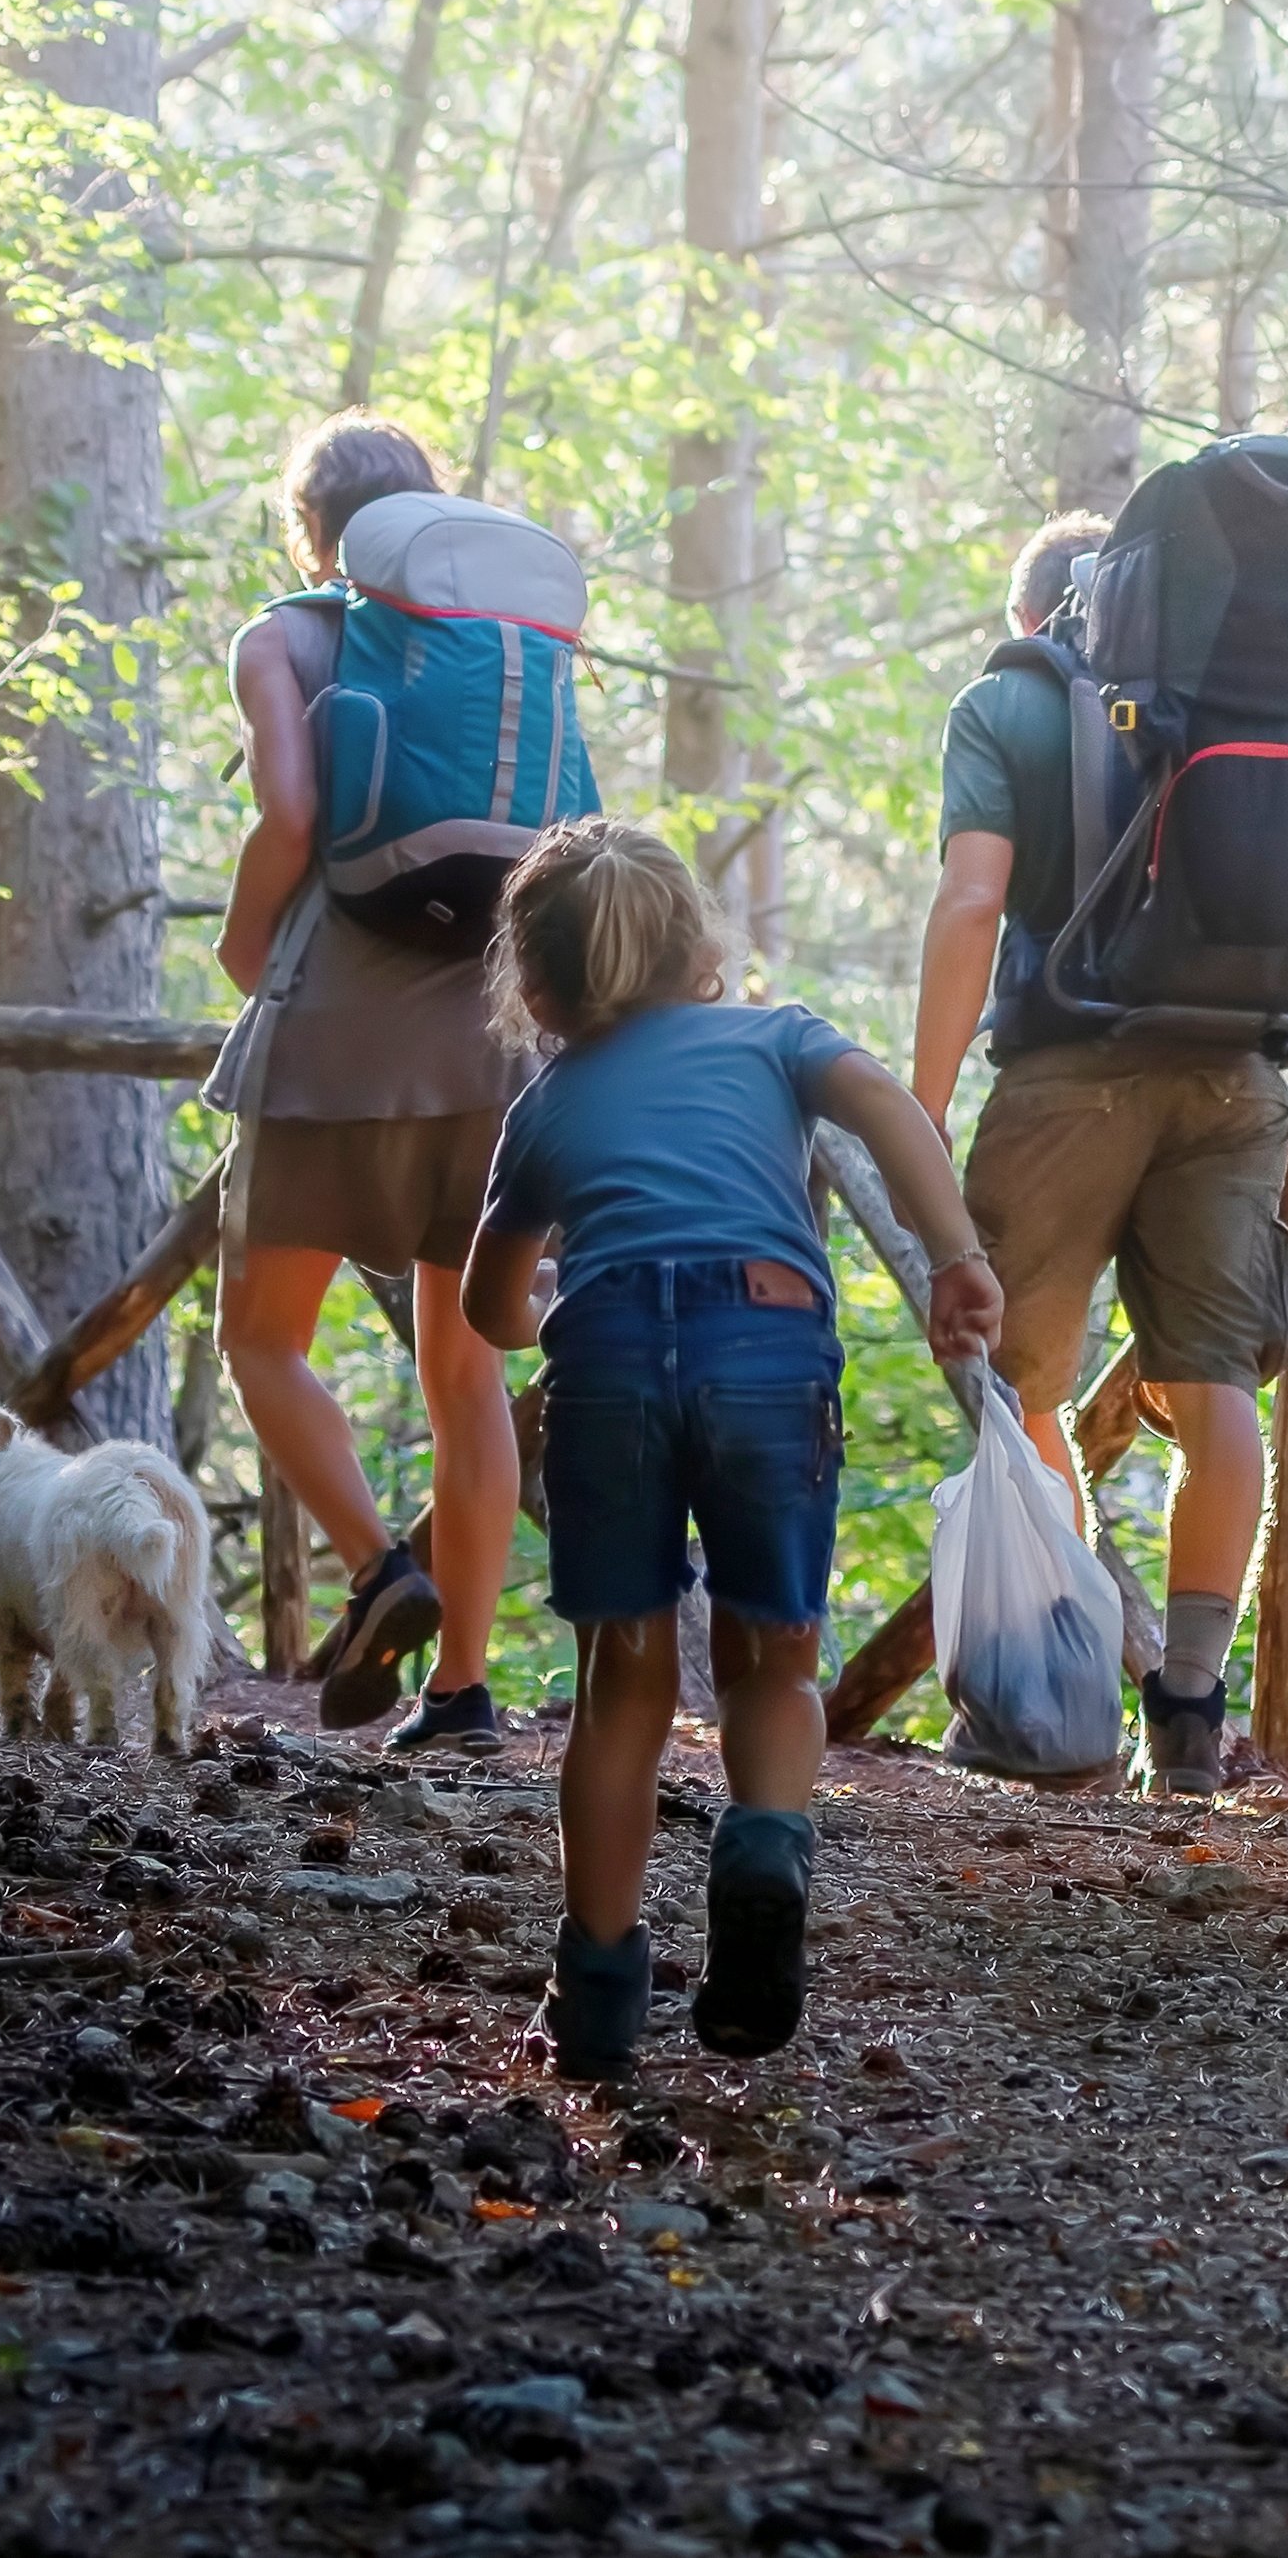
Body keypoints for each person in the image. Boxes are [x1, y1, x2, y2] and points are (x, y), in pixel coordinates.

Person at [461, 821, 1002, 2077]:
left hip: (605, 1372)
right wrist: (956, 1256)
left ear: (533, 988)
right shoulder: (777, 1038)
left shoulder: (545, 1106)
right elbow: (881, 1105)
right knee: (772, 1654)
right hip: (764, 1347)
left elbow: (493, 1309)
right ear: (701, 948)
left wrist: (561, 1309)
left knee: (623, 1682)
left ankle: (596, 1993)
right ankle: (761, 1843)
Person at [909, 511, 1288, 1797]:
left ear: (1040, 614)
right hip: (1236, 1077)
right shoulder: (1263, 713)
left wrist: (916, 1109)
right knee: (1216, 1396)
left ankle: (1055, 1688)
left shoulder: (1006, 702)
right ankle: (1188, 1710)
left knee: (1016, 1385)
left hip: (1063, 1080)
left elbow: (973, 901)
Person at [214, 409, 523, 1749]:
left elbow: (289, 814)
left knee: (260, 1336)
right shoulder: (507, 650)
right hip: (497, 1047)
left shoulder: (282, 637)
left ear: (312, 532)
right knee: (470, 1378)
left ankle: (377, 1565)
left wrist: (240, 942)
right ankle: (461, 1682)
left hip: (336, 1038)